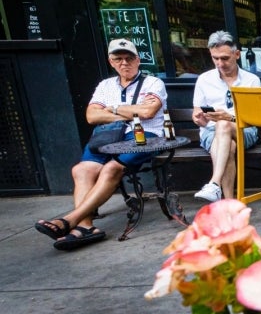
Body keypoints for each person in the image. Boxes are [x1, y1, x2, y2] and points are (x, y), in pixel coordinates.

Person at [34, 39, 167, 251]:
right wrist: (126, 111)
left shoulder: (153, 83)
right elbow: (91, 116)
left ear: (138, 60)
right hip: (107, 137)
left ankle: (71, 221)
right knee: (81, 169)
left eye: (129, 58)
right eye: (118, 59)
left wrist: (111, 109)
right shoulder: (105, 86)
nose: (124, 63)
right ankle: (86, 227)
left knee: (112, 168)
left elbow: (147, 112)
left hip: (144, 136)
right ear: (111, 61)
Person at [192, 31, 261, 202]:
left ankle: (214, 183)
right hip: (211, 134)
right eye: (215, 58)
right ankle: (229, 202)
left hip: (245, 131)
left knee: (222, 125)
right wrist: (199, 119)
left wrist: (228, 118)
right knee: (228, 146)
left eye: (224, 58)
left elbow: (256, 119)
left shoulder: (251, 80)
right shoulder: (204, 79)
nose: (219, 63)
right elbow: (196, 112)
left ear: (236, 54)